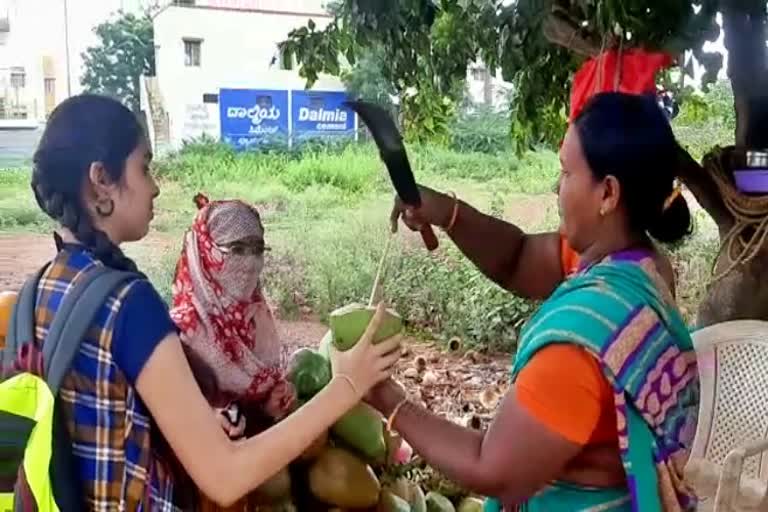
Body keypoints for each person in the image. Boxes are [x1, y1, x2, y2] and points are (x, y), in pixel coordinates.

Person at [12, 94, 401, 510]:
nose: (156, 186)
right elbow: (226, 476)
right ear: (101, 179)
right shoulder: (128, 304)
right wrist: (347, 386)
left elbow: (68, 430)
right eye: (144, 167)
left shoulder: (33, 293)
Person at [368, 92, 699, 511]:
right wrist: (447, 212)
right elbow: (519, 257)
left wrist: (383, 397)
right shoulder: (641, 267)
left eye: (565, 172)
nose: (555, 187)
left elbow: (494, 470)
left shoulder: (578, 347)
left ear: (608, 193)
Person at [171, 193, 295, 441]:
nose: (250, 263)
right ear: (205, 252)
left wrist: (267, 408)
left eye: (257, 250)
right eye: (237, 249)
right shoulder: (182, 332)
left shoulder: (256, 317)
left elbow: (250, 418)